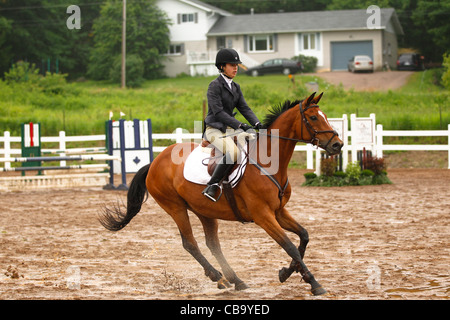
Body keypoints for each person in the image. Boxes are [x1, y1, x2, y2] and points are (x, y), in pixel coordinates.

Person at [202, 48, 262, 202]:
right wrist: (241, 125)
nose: (236, 68)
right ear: (222, 66)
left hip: (229, 130)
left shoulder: (236, 87)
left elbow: (244, 108)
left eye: (237, 65)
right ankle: (212, 185)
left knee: (254, 140)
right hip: (214, 129)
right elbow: (219, 112)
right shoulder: (214, 85)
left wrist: (257, 124)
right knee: (234, 153)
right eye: (231, 65)